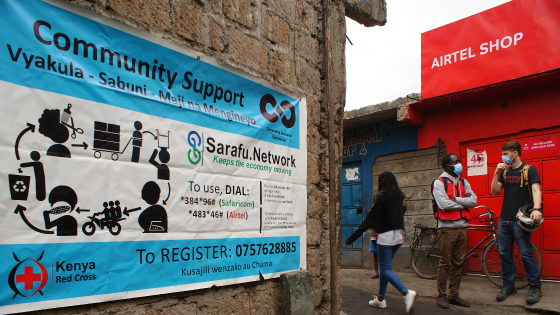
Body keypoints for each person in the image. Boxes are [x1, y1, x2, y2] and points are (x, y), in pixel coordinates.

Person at [345, 171, 416, 314]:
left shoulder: (382, 197)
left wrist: (353, 237)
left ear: (382, 182)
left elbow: (370, 219)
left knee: (384, 269)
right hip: (399, 236)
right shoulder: (399, 196)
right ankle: (380, 299)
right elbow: (402, 211)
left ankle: (406, 293)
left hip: (386, 238)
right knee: (385, 268)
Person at [491, 140, 543, 304]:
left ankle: (535, 287)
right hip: (504, 220)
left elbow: (536, 190)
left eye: (506, 154)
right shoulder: (504, 172)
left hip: (520, 220)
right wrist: (495, 173)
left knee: (526, 253)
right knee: (504, 253)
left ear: (515, 153)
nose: (503, 157)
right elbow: (494, 191)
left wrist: (536, 209)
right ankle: (508, 285)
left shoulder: (529, 170)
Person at [432, 153, 477, 309]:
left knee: (458, 263)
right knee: (445, 263)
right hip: (447, 229)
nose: (459, 164)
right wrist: (465, 204)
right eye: (455, 162)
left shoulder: (464, 182)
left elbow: (474, 201)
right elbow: (444, 204)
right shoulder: (439, 183)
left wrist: (457, 200)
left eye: (459, 161)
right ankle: (441, 296)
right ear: (447, 166)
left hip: (463, 228)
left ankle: (453, 295)